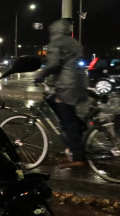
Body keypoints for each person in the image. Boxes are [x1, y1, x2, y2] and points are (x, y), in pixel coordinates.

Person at [34, 19, 88, 169]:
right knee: (65, 114)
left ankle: (78, 157)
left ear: (54, 31)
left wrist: (40, 76)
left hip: (66, 86)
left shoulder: (57, 43)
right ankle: (79, 128)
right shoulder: (73, 42)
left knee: (68, 123)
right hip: (77, 83)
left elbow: (53, 64)